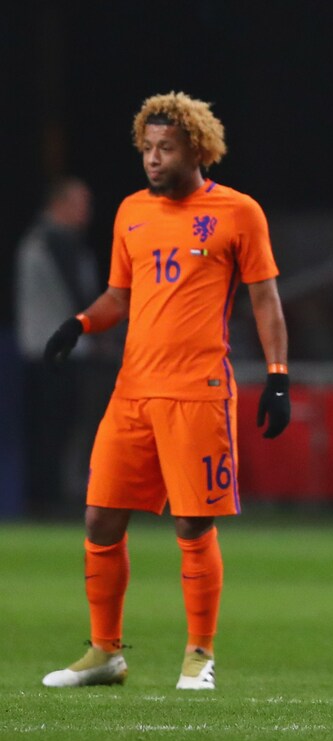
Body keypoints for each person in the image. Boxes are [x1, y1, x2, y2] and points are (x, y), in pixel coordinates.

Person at [39, 92, 291, 691]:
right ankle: (105, 653)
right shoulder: (131, 212)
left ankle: (199, 655)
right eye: (147, 148)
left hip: (198, 392)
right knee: (100, 517)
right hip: (133, 392)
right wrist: (80, 323)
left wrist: (278, 376)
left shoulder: (238, 212)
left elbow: (264, 299)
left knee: (192, 525)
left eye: (166, 148)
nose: (153, 158)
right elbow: (119, 297)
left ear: (196, 150)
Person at [15, 178, 119, 510]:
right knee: (61, 427)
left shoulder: (37, 239)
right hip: (59, 351)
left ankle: (44, 497)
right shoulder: (55, 240)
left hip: (39, 349)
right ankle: (54, 500)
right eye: (80, 203)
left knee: (50, 427)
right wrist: (100, 331)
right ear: (59, 204)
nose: (86, 212)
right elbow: (78, 295)